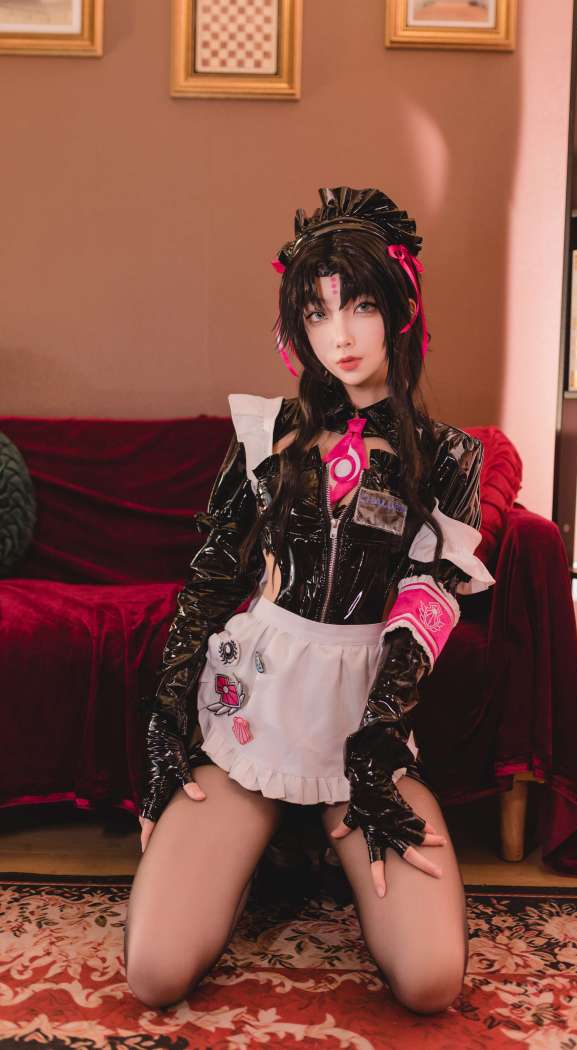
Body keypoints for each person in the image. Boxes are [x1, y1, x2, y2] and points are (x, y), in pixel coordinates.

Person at [124, 185, 496, 1015]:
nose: (341, 336)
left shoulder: (447, 458)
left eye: (361, 306)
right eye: (319, 313)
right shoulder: (266, 434)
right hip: (253, 709)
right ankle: (262, 849)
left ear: (401, 308)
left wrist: (377, 743)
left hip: (363, 723)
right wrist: (167, 718)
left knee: (431, 980)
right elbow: (212, 579)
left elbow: (429, 604)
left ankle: (311, 839)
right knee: (152, 971)